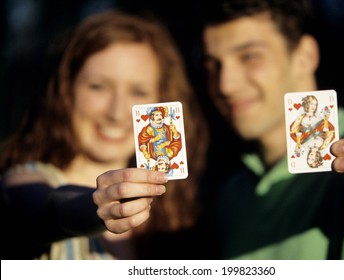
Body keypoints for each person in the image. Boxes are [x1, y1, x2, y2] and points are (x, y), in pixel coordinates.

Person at [196, 0, 344, 259]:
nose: (225, 85)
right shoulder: (230, 196)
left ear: (305, 56)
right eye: (212, 65)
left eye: (249, 56)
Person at [0, 10, 208, 260]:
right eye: (98, 87)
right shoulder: (24, 181)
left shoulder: (178, 216)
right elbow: (47, 207)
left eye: (138, 91)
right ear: (65, 91)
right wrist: (93, 205)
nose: (117, 112)